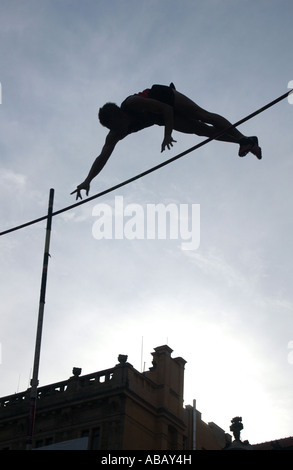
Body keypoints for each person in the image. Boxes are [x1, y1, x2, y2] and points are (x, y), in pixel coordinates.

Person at [71, 83, 262, 200]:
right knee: (200, 130)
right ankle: (246, 143)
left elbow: (166, 110)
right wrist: (87, 180)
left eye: (118, 125)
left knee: (202, 116)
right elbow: (102, 156)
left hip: (165, 98)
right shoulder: (115, 133)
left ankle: (241, 137)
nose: (119, 131)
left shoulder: (132, 103)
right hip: (159, 118)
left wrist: (167, 135)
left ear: (119, 114)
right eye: (114, 129)